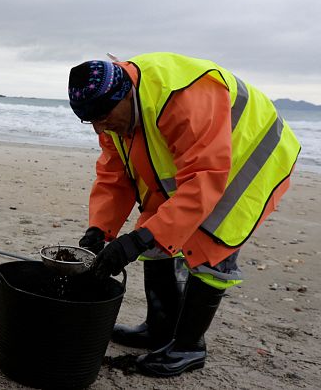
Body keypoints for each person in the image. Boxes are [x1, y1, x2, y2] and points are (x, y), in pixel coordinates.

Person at [68, 53, 299, 377]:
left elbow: (205, 178)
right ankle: (160, 329)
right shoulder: (108, 110)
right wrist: (98, 231)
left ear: (126, 94)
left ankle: (189, 347)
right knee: (153, 226)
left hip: (248, 154)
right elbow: (114, 175)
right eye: (89, 121)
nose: (99, 127)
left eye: (103, 117)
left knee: (211, 241)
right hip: (196, 159)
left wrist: (138, 240)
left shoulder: (182, 98)